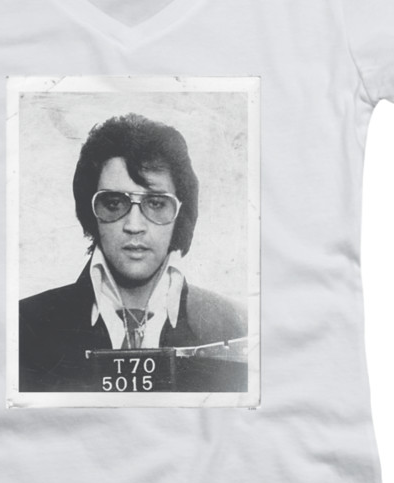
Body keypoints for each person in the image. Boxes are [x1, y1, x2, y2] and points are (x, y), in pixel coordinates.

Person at [19, 112, 248, 392]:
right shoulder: (24, 326)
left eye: (156, 203)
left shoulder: (239, 327)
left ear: (180, 213)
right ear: (91, 212)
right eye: (114, 204)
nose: (134, 226)